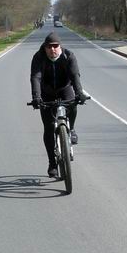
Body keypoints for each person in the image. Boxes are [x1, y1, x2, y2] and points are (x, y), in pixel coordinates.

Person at [30, 32, 86, 178]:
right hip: (46, 93)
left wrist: (79, 93)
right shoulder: (39, 57)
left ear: (60, 46)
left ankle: (71, 129)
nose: (52, 49)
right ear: (45, 47)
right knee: (48, 128)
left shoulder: (68, 56)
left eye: (55, 46)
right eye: (49, 47)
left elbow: (75, 76)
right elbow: (35, 78)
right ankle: (52, 163)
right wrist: (36, 97)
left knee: (73, 104)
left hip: (65, 89)